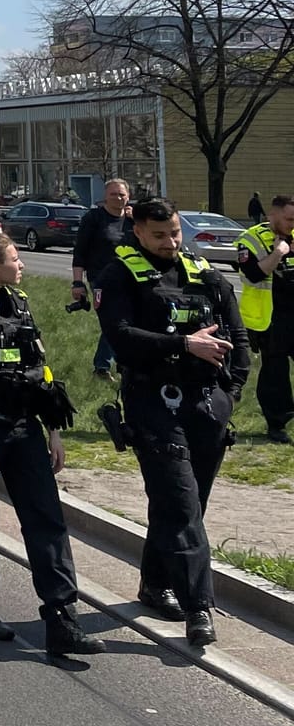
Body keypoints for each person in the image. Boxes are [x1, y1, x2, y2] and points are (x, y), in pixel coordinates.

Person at [0, 231, 104, 658]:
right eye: (14, 258)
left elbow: (38, 369)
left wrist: (53, 428)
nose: (22, 264)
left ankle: (62, 617)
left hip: (23, 425)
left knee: (46, 518)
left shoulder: (19, 304)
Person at [96, 198, 248, 645]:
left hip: (207, 405)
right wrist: (183, 345)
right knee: (181, 506)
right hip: (155, 402)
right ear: (137, 231)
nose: (170, 242)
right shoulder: (118, 275)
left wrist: (231, 394)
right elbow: (121, 338)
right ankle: (199, 608)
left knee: (185, 504)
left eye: (175, 233)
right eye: (159, 235)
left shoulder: (203, 273)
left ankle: (152, 583)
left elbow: (237, 336)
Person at [236, 195, 294, 442]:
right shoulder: (250, 240)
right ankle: (277, 424)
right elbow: (253, 276)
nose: (293, 224)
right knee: (275, 373)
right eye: (289, 219)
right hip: (270, 318)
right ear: (272, 215)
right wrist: (278, 253)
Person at [72, 178, 136, 378]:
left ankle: (120, 364)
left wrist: (138, 218)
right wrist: (77, 283)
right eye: (113, 194)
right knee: (114, 320)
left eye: (122, 194)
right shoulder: (94, 218)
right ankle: (105, 366)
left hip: (131, 279)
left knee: (127, 321)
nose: (118, 198)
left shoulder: (134, 220)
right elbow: (80, 251)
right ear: (105, 197)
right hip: (101, 279)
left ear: (128, 197)